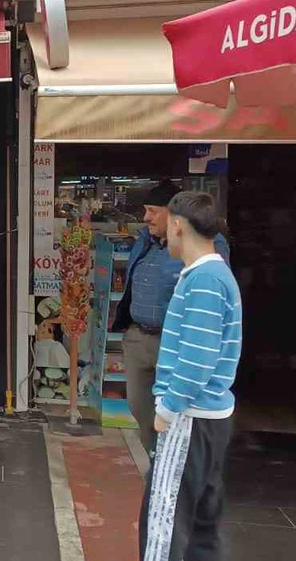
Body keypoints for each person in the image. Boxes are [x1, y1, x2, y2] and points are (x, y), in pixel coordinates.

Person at [139, 192, 242, 561]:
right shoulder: (213, 275)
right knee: (201, 528)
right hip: (208, 418)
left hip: (189, 418)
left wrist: (167, 409)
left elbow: (197, 360)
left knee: (164, 525)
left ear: (178, 225)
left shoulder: (204, 280)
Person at [113, 181, 229, 452]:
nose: (146, 218)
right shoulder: (145, 241)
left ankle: (170, 466)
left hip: (173, 343)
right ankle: (155, 461)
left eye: (153, 211)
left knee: (175, 418)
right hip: (139, 339)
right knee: (141, 410)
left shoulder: (205, 253)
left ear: (176, 217)